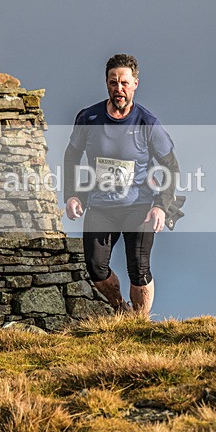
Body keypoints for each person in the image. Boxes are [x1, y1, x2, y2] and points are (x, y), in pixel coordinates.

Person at [63, 54, 179, 318]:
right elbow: (72, 156)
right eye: (113, 82)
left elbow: (171, 166)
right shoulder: (88, 118)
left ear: (135, 83)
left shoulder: (147, 123)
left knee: (138, 269)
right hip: (101, 206)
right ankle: (120, 308)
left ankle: (140, 322)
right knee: (95, 267)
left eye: (125, 83)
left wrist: (161, 206)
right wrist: (71, 195)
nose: (119, 89)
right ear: (106, 84)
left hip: (138, 206)